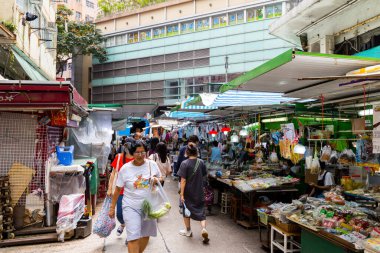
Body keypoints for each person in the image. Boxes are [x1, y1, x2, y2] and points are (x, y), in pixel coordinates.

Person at [109, 141, 162, 252]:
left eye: (142, 152)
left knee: (145, 235)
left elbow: (161, 178)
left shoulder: (152, 164)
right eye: (137, 152)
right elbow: (118, 189)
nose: (140, 155)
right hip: (130, 206)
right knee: (133, 236)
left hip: (148, 206)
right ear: (132, 153)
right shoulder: (125, 169)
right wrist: (112, 207)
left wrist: (157, 180)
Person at [178, 143, 209, 244]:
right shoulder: (201, 162)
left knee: (186, 211)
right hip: (199, 190)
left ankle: (188, 231)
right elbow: (204, 175)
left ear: (187, 152)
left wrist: (182, 194)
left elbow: (183, 180)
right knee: (201, 211)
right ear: (197, 152)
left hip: (188, 192)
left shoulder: (184, 163)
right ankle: (204, 229)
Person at [107, 142, 135, 237]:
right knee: (119, 214)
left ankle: (130, 236)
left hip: (133, 191)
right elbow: (113, 173)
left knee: (132, 214)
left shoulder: (137, 158)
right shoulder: (119, 157)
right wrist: (110, 188)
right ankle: (123, 224)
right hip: (120, 191)